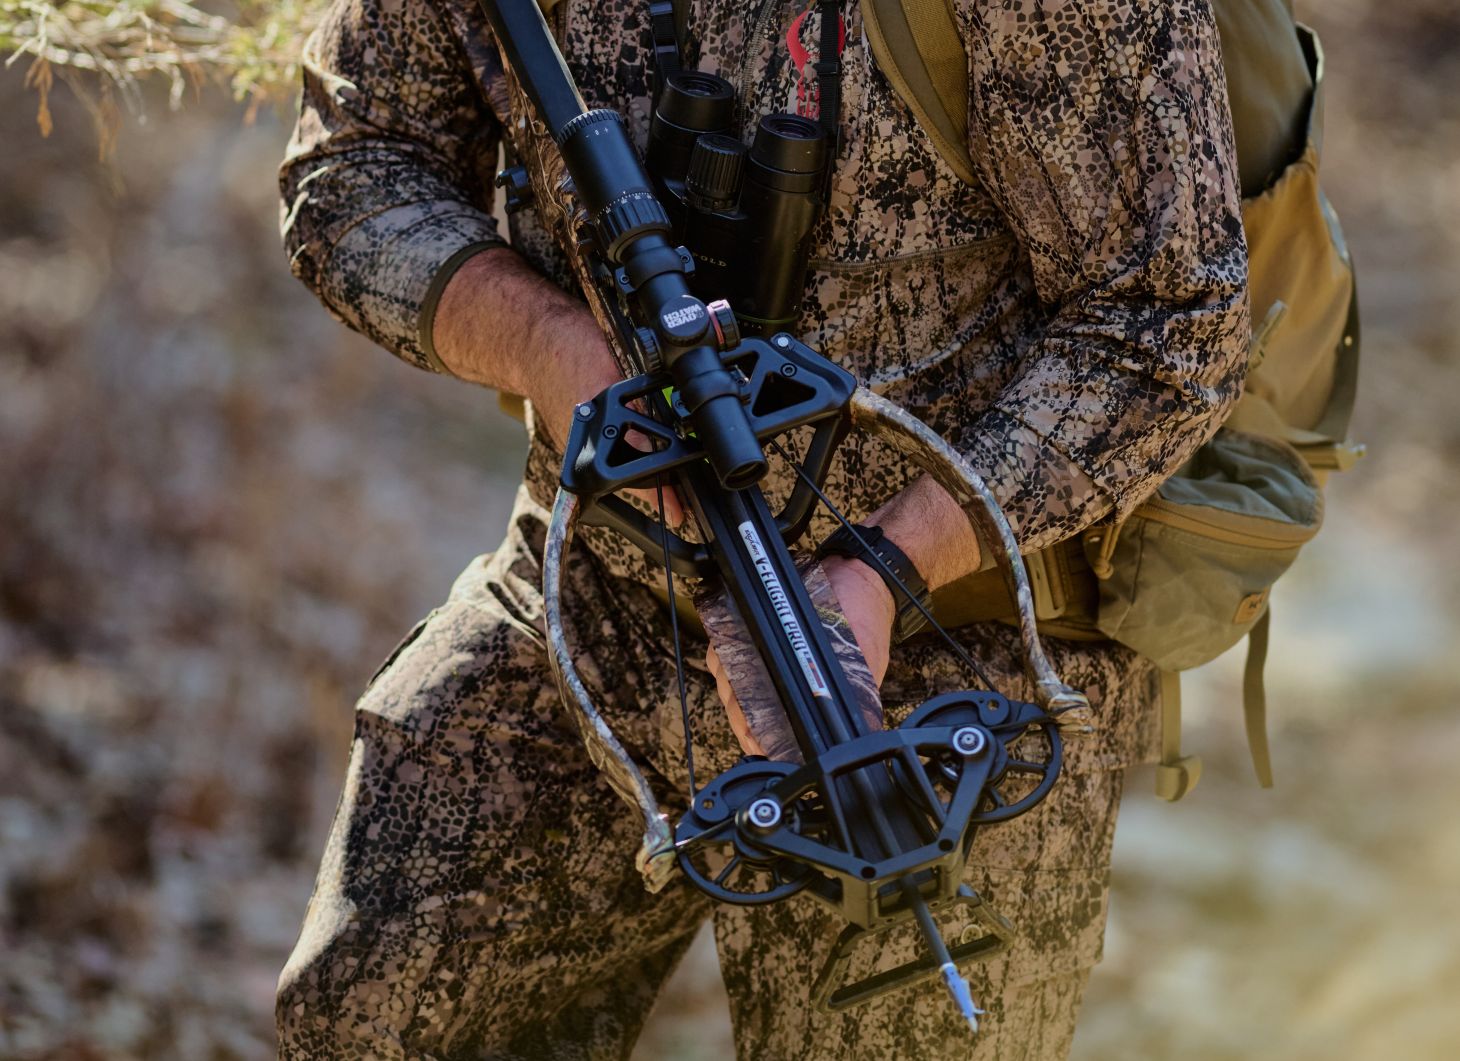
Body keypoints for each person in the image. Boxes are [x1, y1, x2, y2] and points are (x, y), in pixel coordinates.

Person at [274, 0, 1249, 1057]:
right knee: (369, 1018)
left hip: (943, 668)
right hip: (598, 594)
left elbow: (1170, 316)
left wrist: (885, 562)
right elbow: (355, 167)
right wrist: (555, 351)